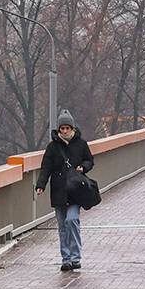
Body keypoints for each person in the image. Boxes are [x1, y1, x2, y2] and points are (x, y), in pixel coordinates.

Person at [35, 109, 94, 271]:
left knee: (72, 220)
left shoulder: (81, 144)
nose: (65, 131)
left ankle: (76, 257)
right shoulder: (53, 147)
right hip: (59, 191)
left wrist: (84, 167)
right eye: (62, 128)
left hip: (75, 191)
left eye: (68, 128)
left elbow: (90, 160)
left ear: (72, 128)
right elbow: (46, 167)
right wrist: (41, 185)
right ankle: (66, 259)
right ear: (59, 129)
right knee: (62, 226)